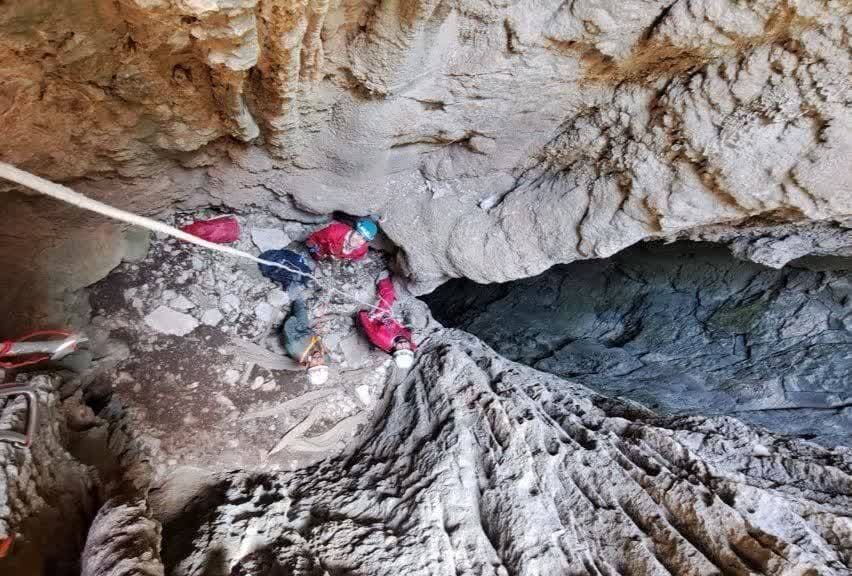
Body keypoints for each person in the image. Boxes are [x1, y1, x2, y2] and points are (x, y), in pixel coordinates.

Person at [358, 274, 416, 370]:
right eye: (406, 348)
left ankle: (382, 277)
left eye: (400, 348)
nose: (403, 344)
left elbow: (367, 325)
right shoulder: (410, 345)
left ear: (394, 350)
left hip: (376, 319)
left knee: (389, 294)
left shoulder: (380, 337)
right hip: (390, 320)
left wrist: (366, 315)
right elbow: (409, 336)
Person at [282, 297, 329, 385]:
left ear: (307, 365)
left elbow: (289, 325)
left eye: (315, 365)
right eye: (322, 363)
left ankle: (296, 296)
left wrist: (296, 319)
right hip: (308, 333)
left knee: (299, 303)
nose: (319, 360)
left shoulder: (295, 346)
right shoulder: (324, 358)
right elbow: (326, 354)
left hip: (297, 329)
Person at [306, 218, 377, 261]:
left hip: (334, 254)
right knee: (317, 256)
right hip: (323, 247)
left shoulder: (361, 250)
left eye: (364, 239)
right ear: (353, 230)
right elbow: (314, 238)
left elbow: (356, 258)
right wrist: (311, 247)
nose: (358, 240)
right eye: (358, 234)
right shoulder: (334, 232)